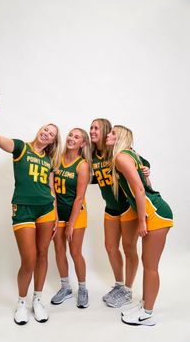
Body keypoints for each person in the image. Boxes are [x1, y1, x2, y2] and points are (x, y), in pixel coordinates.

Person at [0, 98, 62, 325]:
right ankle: (22, 302)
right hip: (23, 209)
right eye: (46, 129)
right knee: (29, 259)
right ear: (40, 130)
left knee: (43, 254)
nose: (47, 133)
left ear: (54, 141)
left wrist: (55, 214)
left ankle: (38, 300)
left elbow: (51, 189)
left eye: (52, 133)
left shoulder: (49, 160)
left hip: (46, 209)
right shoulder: (21, 147)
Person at [106, 125, 173, 326]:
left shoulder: (121, 157)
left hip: (156, 213)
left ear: (121, 138)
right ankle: (144, 304)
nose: (108, 135)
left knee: (151, 266)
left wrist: (142, 220)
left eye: (112, 134)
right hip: (153, 211)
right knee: (147, 263)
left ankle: (148, 313)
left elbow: (140, 190)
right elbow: (147, 182)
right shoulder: (131, 155)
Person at [90, 118, 150, 308]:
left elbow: (142, 164)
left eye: (96, 128)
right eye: (90, 127)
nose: (92, 131)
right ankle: (119, 284)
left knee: (129, 248)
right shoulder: (91, 155)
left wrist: (146, 169)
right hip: (110, 206)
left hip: (127, 207)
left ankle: (128, 289)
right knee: (110, 247)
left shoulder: (117, 151)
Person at [51, 128, 92, 308]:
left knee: (75, 252)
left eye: (77, 137)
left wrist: (71, 224)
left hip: (76, 213)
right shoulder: (57, 158)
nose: (71, 138)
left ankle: (82, 288)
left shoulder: (82, 165)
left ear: (82, 143)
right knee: (59, 250)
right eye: (70, 135)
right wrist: (55, 215)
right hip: (58, 212)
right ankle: (65, 287)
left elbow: (79, 197)